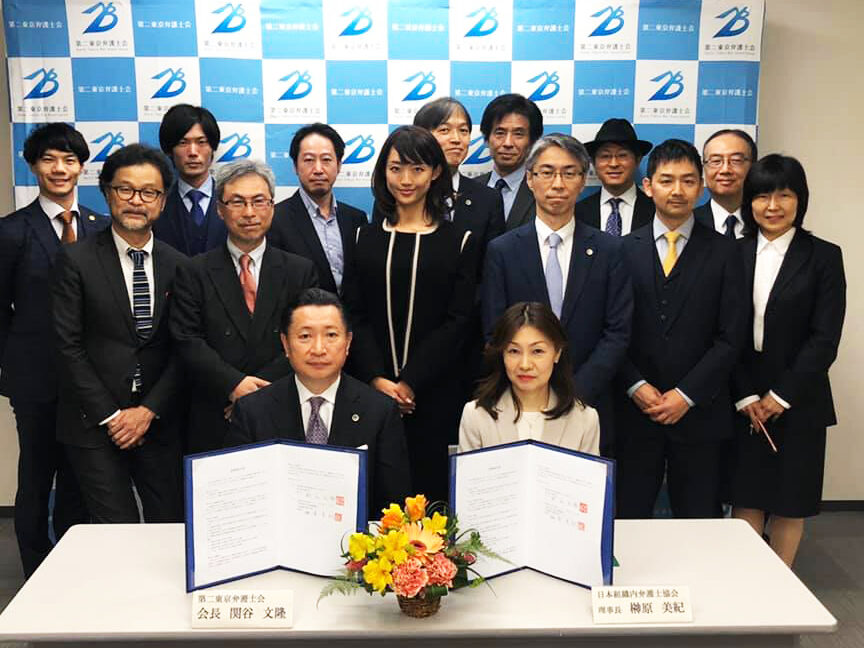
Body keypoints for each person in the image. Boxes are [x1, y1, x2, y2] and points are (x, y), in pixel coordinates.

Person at [343, 125, 478, 504]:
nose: (405, 180)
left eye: (417, 169)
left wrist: (411, 382)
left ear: (435, 172)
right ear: (383, 172)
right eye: (396, 168)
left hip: (435, 393)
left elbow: (459, 321)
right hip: (370, 391)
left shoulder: (459, 241)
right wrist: (377, 378)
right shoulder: (364, 237)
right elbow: (353, 313)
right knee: (374, 497)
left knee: (430, 499)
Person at [52, 144, 186, 523]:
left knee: (170, 527)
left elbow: (184, 348)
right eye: (125, 189)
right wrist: (112, 417)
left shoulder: (180, 266)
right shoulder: (75, 260)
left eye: (149, 192)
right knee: (116, 529)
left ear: (162, 201)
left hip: (157, 420)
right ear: (108, 193)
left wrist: (148, 411)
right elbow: (67, 346)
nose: (136, 201)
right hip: (94, 423)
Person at [614, 139, 745, 519]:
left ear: (701, 188)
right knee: (629, 516)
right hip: (635, 410)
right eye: (667, 180)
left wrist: (686, 395)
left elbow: (731, 336)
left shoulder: (727, 252)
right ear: (647, 186)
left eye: (688, 181)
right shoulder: (620, 250)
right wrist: (636, 386)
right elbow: (612, 330)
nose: (677, 190)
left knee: (700, 517)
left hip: (700, 413)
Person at [0, 123, 107, 577]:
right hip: (37, 382)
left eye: (69, 159)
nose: (59, 168)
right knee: (37, 479)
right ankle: (34, 575)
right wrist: (12, 369)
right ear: (32, 166)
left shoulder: (101, 228)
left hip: (90, 381)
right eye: (49, 159)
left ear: (82, 167)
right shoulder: (11, 232)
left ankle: (68, 570)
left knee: (79, 480)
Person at [482, 134, 632, 456]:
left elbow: (617, 332)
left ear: (583, 180)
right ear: (530, 179)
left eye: (569, 173)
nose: (558, 184)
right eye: (547, 172)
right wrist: (534, 391)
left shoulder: (610, 250)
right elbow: (494, 331)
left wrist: (575, 394)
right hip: (519, 406)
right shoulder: (502, 251)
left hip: (588, 406)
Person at [731, 155, 845, 567]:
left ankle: (780, 583)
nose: (772, 206)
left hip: (800, 397)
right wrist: (746, 395)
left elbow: (825, 338)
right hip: (742, 397)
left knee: (789, 501)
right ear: (749, 202)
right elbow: (723, 333)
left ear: (801, 200)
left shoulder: (824, 256)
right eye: (762, 196)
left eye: (784, 195)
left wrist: (779, 397)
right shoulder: (732, 253)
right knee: (746, 495)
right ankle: (746, 580)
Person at [170, 160, 318, 453]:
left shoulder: (300, 271)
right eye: (237, 202)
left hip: (282, 407)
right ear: (219, 209)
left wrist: (257, 395)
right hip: (215, 410)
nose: (249, 212)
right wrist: (234, 385)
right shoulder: (193, 271)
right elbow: (187, 340)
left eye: (259, 201)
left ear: (272, 206)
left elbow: (306, 337)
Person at [225, 288, 412, 515]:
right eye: (305, 336)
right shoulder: (252, 410)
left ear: (348, 342)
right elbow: (241, 502)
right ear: (285, 344)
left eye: (331, 335)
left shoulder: (379, 411)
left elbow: (394, 505)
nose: (318, 349)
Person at [459, 302, 599, 454]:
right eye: (514, 351)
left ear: (557, 353)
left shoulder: (585, 419)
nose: (525, 365)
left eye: (537, 351)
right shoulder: (476, 415)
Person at [268, 123, 367, 295]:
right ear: (295, 166)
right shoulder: (275, 219)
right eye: (309, 160)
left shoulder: (356, 219)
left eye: (326, 160)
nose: (318, 169)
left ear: (339, 165)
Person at [413, 97, 505, 268]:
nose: (456, 139)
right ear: (421, 137)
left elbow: (492, 268)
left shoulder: (488, 199)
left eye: (463, 130)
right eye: (444, 130)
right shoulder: (402, 193)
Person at [155, 104, 227, 255]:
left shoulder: (233, 201)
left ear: (213, 147)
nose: (193, 152)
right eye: (183, 143)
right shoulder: (156, 204)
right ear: (169, 150)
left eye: (201, 142)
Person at [575, 118, 654, 236]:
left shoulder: (657, 211)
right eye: (605, 156)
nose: (614, 164)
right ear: (594, 162)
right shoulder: (576, 213)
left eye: (622, 155)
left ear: (637, 160)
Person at [476, 93, 543, 230]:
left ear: (532, 141)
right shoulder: (469, 190)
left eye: (518, 134)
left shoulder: (543, 191)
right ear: (487, 138)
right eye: (500, 133)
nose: (508, 143)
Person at [694, 129, 758, 239]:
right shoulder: (688, 223)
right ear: (704, 168)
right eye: (716, 161)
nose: (725, 170)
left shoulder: (767, 222)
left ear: (753, 166)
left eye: (736, 160)